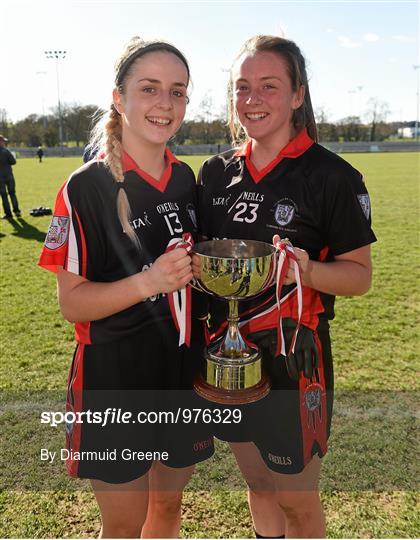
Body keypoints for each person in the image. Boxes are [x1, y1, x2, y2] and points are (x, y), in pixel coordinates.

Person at [196, 35, 376, 538]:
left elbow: (359, 276)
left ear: (298, 95)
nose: (252, 99)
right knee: (256, 483)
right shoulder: (214, 173)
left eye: (269, 86)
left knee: (296, 501)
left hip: (294, 356)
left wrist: (306, 271)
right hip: (226, 353)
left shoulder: (332, 176)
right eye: (242, 87)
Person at [38, 36, 213, 538]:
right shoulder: (84, 186)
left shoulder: (186, 178)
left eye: (177, 91)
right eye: (150, 88)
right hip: (116, 378)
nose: (165, 103)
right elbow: (72, 303)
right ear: (119, 98)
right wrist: (151, 280)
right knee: (123, 524)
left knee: (168, 508)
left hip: (181, 367)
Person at [0, 135, 21, 218]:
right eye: (3, 141)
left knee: (4, 195)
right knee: (12, 194)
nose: (4, 143)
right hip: (9, 176)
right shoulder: (6, 151)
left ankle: (8, 214)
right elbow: (13, 162)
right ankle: (16, 211)